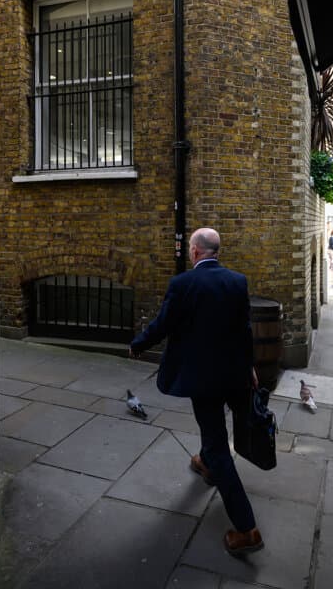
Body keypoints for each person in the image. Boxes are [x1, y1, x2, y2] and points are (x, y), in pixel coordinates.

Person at [130, 227, 264, 556]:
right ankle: (204, 461)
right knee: (214, 433)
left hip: (203, 379)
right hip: (234, 375)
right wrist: (250, 367)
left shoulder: (183, 284)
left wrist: (138, 345)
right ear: (216, 251)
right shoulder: (237, 281)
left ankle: (247, 530)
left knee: (218, 443)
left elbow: (163, 323)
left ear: (194, 252)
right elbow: (244, 330)